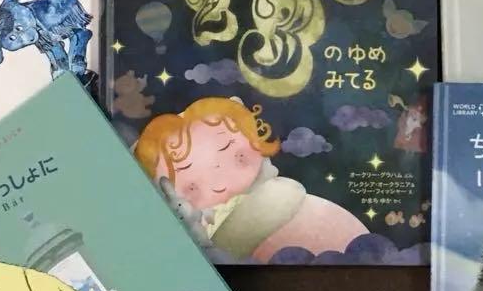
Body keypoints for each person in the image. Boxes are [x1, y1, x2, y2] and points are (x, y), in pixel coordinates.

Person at [135, 97, 367, 261]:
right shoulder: (201, 230)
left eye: (237, 156)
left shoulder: (275, 194)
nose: (220, 183)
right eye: (192, 187)